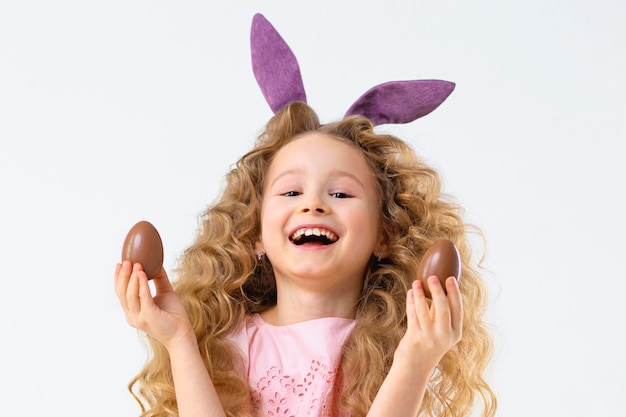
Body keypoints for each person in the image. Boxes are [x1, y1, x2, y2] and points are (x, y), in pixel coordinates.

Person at [114, 98, 497, 417]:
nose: (313, 204)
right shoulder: (233, 345)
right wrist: (179, 341)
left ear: (386, 233)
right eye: (292, 193)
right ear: (254, 234)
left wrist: (417, 360)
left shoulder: (399, 349)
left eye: (342, 194)